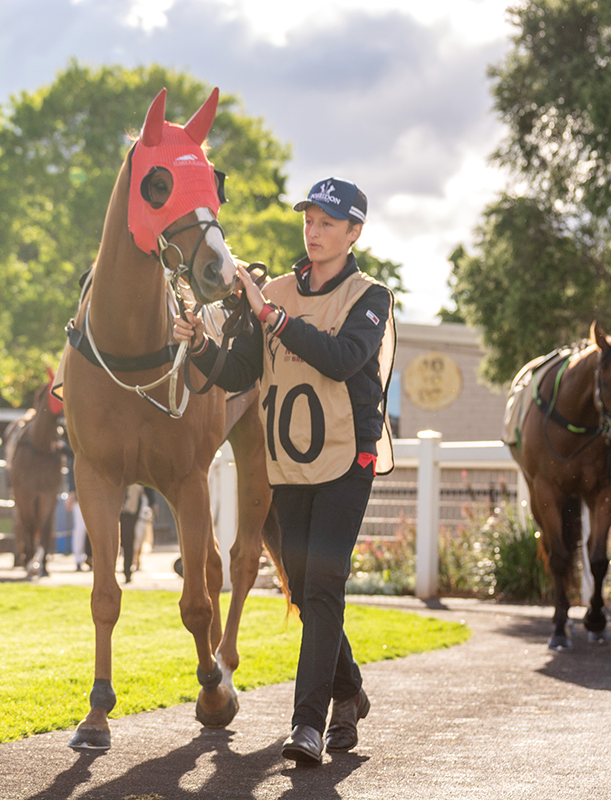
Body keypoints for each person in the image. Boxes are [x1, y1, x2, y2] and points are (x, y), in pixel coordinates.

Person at [173, 177, 395, 766]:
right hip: (288, 463)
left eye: (327, 222)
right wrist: (198, 344)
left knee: (322, 584)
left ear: (353, 233)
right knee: (302, 585)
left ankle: (307, 725)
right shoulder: (271, 291)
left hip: (348, 460)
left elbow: (344, 358)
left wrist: (271, 316)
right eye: (309, 219)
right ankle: (349, 691)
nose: (313, 231)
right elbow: (241, 369)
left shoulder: (371, 297)